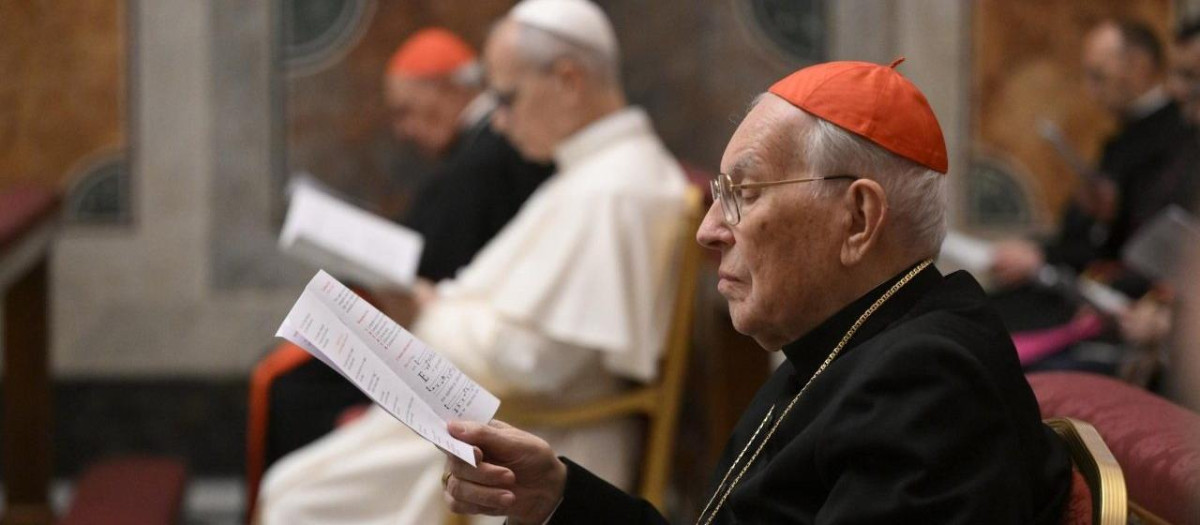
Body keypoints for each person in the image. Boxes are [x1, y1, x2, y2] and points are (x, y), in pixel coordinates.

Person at [442, 59, 1072, 524]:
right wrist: (556, 495)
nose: (709, 230)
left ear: (856, 219)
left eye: (741, 195)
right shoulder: (836, 348)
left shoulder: (930, 384)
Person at [256, 1, 690, 523]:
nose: (500, 123)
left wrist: (423, 312)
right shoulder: (592, 175)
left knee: (294, 501)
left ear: (569, 79)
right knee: (289, 486)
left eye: (506, 98)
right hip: (502, 417)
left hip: (534, 438)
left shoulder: (614, 192)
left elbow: (535, 362)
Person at [258, 28, 555, 472]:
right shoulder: (478, 153)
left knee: (294, 397)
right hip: (454, 337)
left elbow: (438, 268)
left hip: (461, 361)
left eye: (406, 111)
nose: (402, 130)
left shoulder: (483, 161)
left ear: (451, 88)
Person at [989, 18, 1195, 337]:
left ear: (1138, 67)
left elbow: (1143, 250)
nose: (1179, 91)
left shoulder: (1174, 139)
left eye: (1192, 78)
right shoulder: (1131, 136)